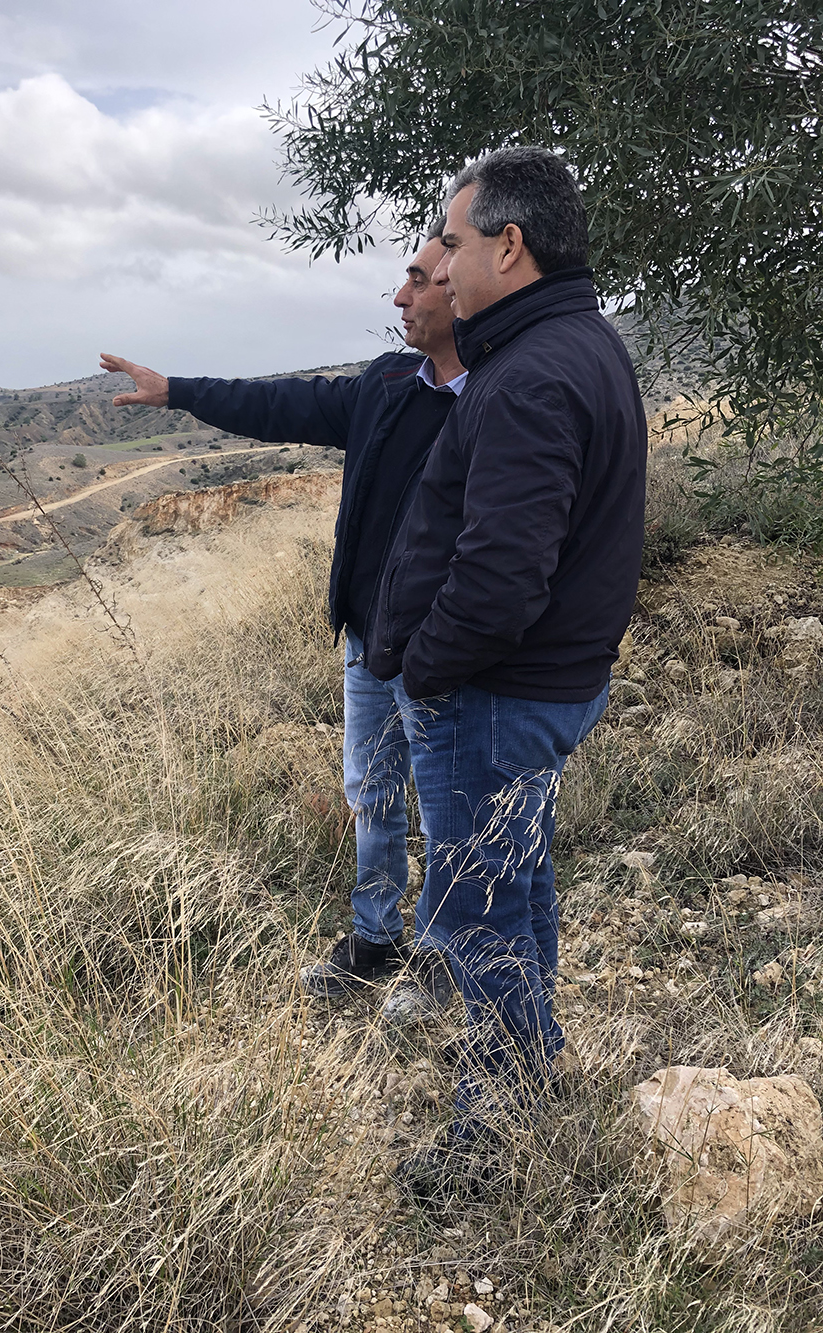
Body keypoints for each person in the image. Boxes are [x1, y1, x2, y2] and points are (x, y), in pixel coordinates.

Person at [364, 147, 648, 1198]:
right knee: (514, 888)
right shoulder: (578, 345)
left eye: (449, 238)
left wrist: (421, 673)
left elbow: (495, 582)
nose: (439, 259)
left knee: (476, 911)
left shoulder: (528, 374)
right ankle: (534, 1076)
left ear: (507, 245)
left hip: (496, 696)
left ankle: (496, 1141)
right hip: (539, 690)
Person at [100, 222, 465, 1020]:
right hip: (369, 642)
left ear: (461, 287)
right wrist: (180, 390)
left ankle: (443, 963)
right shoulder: (389, 383)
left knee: (447, 811)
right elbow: (282, 403)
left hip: (443, 654)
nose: (400, 297)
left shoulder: (499, 403)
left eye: (418, 281)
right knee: (372, 794)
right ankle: (375, 940)